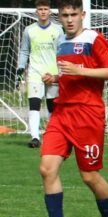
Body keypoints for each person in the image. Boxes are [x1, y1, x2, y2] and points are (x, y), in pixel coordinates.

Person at [31, 0, 108, 217]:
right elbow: (73, 74)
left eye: (73, 14)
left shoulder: (94, 39)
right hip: (62, 112)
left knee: (89, 176)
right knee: (47, 168)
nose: (69, 19)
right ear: (58, 17)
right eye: (64, 15)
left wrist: (79, 70)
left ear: (83, 14)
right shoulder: (61, 41)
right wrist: (58, 78)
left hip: (87, 114)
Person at [16, 0, 63, 148]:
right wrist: (21, 67)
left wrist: (61, 72)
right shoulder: (29, 30)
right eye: (40, 9)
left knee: (52, 106)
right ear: (36, 11)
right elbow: (24, 51)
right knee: (34, 104)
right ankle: (35, 137)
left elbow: (61, 52)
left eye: (45, 9)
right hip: (35, 73)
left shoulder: (58, 30)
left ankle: (51, 135)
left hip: (53, 73)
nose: (43, 11)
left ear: (50, 11)